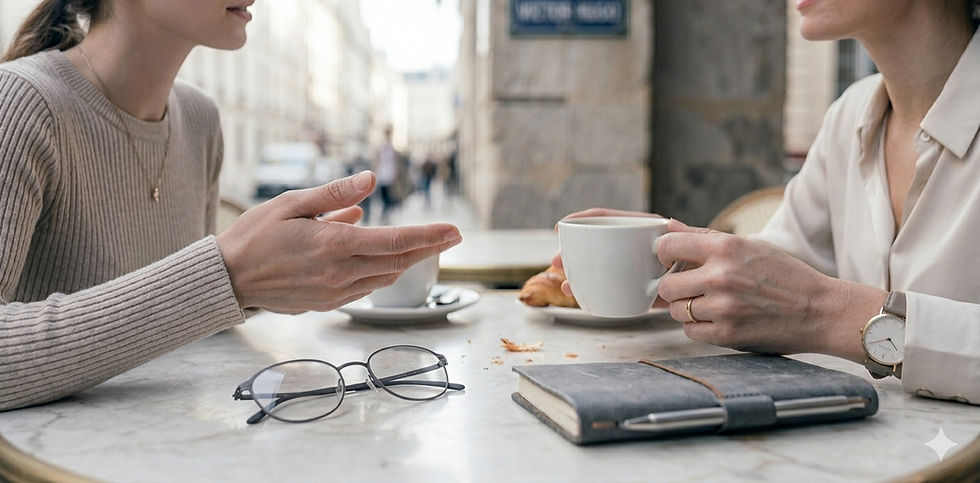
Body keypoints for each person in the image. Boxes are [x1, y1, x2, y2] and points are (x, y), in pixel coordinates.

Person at [0, 0, 461, 412]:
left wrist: (275, 275)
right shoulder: (20, 101)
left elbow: (186, 322)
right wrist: (231, 276)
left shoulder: (200, 119)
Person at [558, 0, 980, 404]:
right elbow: (788, 266)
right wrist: (673, 254)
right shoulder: (850, 116)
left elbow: (805, 300)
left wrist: (827, 314)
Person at [375, 125, 399, 223]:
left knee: (388, 199)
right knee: (385, 199)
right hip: (383, 177)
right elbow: (377, 162)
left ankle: (385, 215)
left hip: (389, 177)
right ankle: (384, 215)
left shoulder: (391, 148)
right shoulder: (382, 147)